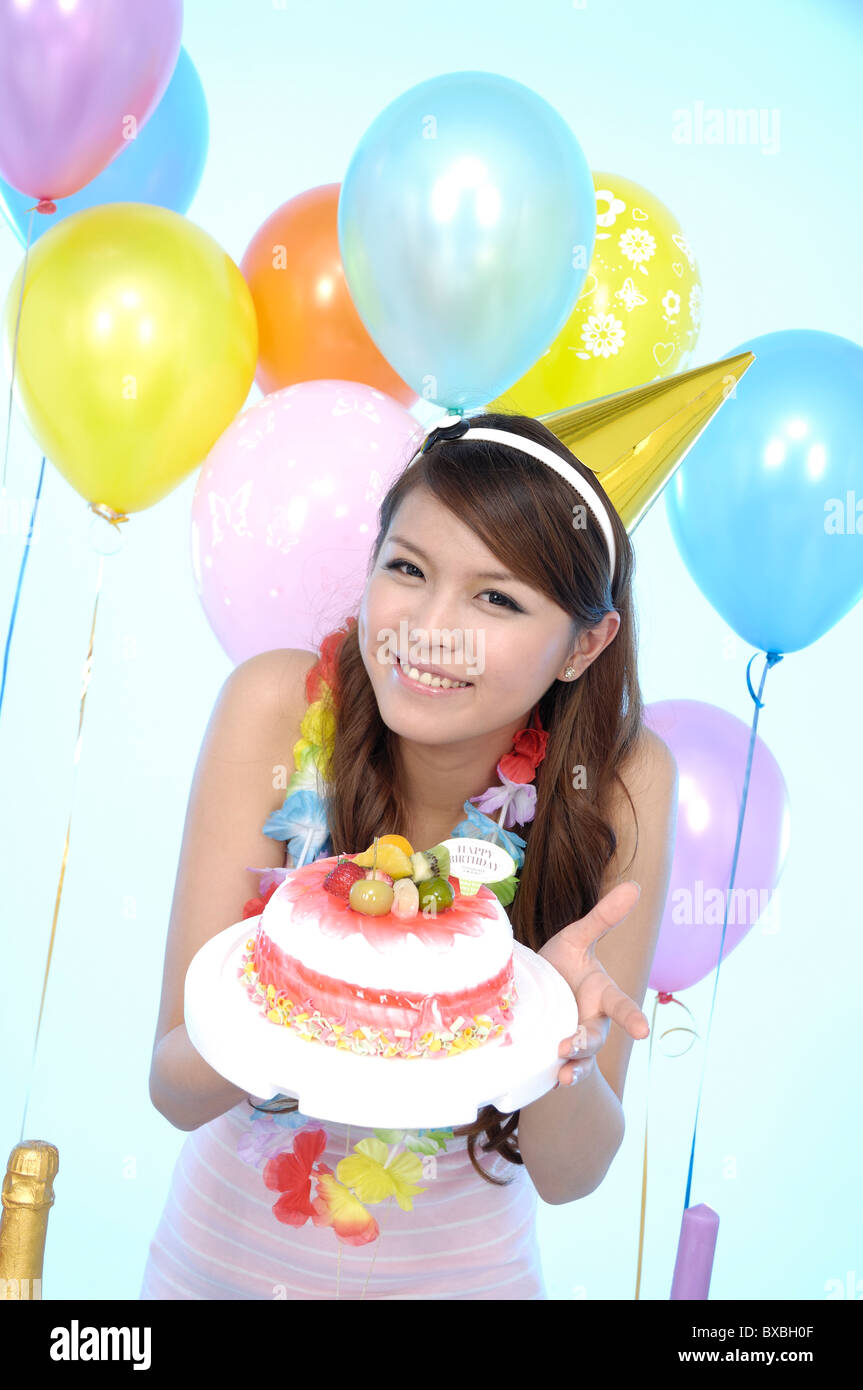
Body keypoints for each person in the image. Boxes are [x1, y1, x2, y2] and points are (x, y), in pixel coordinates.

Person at [140, 410, 678, 1300]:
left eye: (496, 598)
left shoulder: (621, 781)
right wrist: (300, 991)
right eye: (407, 569)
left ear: (585, 644)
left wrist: (558, 1044)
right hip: (213, 1275)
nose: (431, 630)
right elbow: (174, 1088)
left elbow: (570, 1174)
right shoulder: (277, 706)